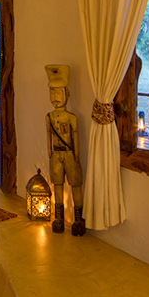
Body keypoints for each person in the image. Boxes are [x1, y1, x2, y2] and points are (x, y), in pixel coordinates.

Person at [45, 64, 86, 236]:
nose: (55, 97)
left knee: (75, 184)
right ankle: (59, 218)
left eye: (59, 92)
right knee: (57, 184)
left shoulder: (71, 118)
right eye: (52, 92)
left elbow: (75, 137)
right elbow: (48, 136)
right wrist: (50, 152)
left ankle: (79, 219)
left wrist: (76, 155)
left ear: (67, 94)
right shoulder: (49, 117)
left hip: (70, 154)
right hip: (56, 154)